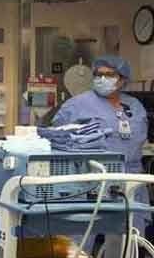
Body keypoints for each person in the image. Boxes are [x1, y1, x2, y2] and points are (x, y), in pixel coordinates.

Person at [53, 55, 149, 225]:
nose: (102, 78)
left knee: (130, 234)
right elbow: (57, 139)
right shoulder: (77, 105)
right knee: (84, 231)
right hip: (91, 178)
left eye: (109, 74)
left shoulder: (134, 105)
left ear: (122, 80)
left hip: (131, 180)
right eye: (98, 74)